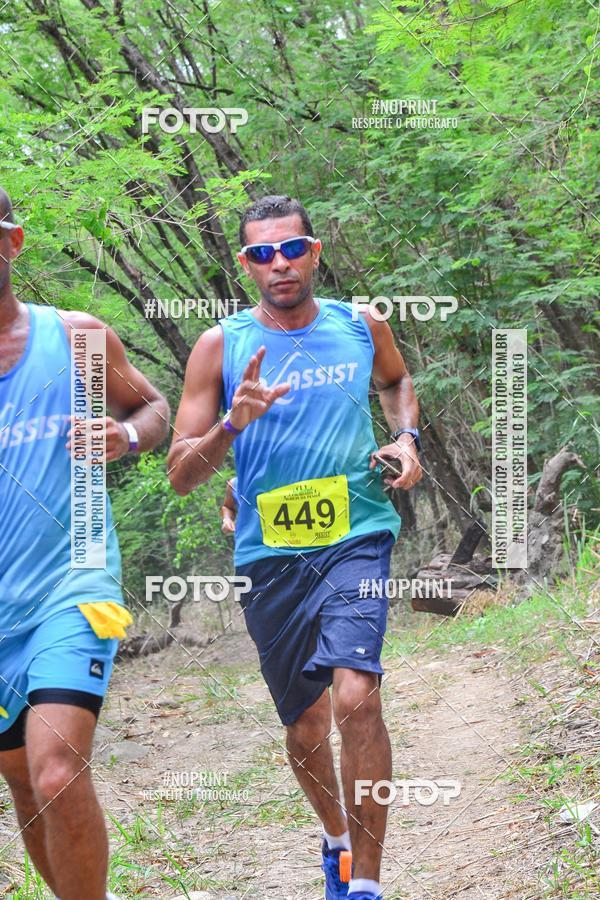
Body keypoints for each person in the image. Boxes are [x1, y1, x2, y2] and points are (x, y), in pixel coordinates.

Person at [168, 195, 422, 900]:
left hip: (357, 534)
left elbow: (396, 382)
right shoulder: (220, 347)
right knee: (306, 726)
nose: (277, 263)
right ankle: (336, 839)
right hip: (270, 555)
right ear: (246, 265)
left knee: (356, 699)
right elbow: (183, 473)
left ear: (313, 250)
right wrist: (230, 424)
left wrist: (406, 438)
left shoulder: (359, 323)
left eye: (290, 249)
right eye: (260, 253)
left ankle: (366, 886)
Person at [0, 188, 170, 900]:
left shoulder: (76, 339)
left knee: (56, 770)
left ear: (11, 243)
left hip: (76, 585)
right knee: (29, 792)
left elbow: (153, 406)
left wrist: (124, 436)